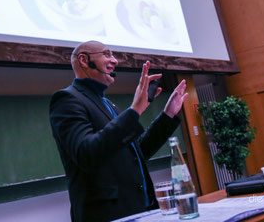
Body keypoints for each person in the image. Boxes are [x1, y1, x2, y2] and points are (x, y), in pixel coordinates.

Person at [49, 40, 189, 222]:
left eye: (113, 55)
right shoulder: (66, 99)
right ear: (84, 60)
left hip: (142, 210)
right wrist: (135, 110)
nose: (115, 61)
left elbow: (136, 152)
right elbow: (86, 154)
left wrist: (168, 115)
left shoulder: (108, 104)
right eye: (107, 54)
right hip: (109, 215)